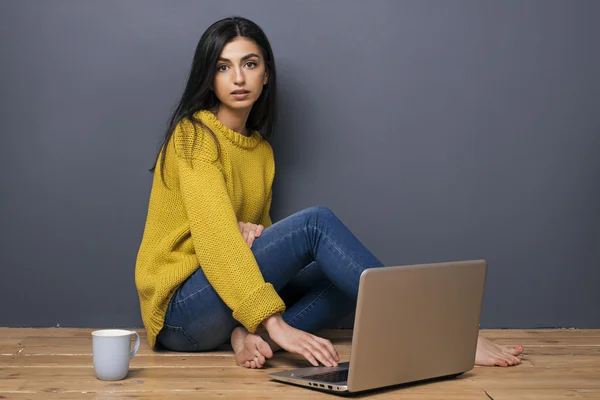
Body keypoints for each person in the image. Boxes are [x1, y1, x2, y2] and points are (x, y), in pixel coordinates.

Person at [135, 16, 523, 369]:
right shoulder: (194, 135)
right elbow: (218, 245)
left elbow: (258, 244)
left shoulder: (261, 152)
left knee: (351, 281)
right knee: (315, 224)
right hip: (179, 315)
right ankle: (441, 332)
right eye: (223, 67)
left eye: (249, 64)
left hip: (221, 309)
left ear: (266, 73)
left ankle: (249, 337)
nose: (238, 78)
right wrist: (277, 319)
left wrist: (251, 232)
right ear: (209, 76)